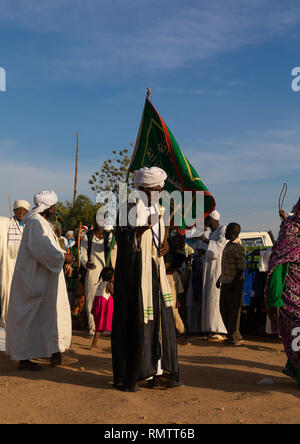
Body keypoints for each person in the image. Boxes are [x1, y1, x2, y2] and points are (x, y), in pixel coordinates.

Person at [112, 166, 181, 392]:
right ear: (141, 188)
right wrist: (142, 229)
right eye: (154, 190)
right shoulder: (128, 208)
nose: (159, 193)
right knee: (136, 324)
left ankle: (157, 373)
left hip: (155, 274)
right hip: (135, 277)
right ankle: (131, 375)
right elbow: (124, 243)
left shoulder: (158, 209)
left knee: (160, 321)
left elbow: (160, 238)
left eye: (160, 189)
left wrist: (166, 244)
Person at [6, 191, 73, 370]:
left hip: (44, 280)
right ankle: (24, 359)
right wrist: (65, 257)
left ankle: (54, 352)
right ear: (50, 208)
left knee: (49, 316)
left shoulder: (41, 223)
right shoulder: (36, 223)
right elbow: (44, 251)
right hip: (33, 282)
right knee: (30, 317)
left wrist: (61, 256)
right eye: (54, 206)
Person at [265, 197, 300, 389]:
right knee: (297, 332)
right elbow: (277, 265)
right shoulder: (290, 230)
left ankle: (293, 366)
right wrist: (275, 298)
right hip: (290, 293)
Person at [80, 214, 115, 336]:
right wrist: (86, 263)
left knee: (106, 300)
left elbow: (113, 245)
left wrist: (113, 234)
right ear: (94, 222)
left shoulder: (108, 236)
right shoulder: (87, 236)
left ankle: (105, 327)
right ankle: (93, 328)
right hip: (93, 270)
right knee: (91, 300)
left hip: (106, 272)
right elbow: (82, 255)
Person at [0, 199, 30, 329]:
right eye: (19, 210)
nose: (21, 213)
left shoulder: (31, 227)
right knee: (6, 291)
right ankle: (6, 320)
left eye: (24, 210)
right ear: (14, 211)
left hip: (25, 267)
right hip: (9, 264)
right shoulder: (6, 223)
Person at [217, 223, 247, 345]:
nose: (225, 233)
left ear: (234, 233)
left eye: (228, 231)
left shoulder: (238, 248)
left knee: (233, 311)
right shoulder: (229, 245)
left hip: (233, 284)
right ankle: (232, 335)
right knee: (224, 309)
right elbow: (228, 266)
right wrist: (220, 279)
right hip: (226, 281)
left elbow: (242, 268)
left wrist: (234, 284)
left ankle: (234, 337)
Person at [201, 210, 228, 341]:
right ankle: (211, 329)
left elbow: (220, 248)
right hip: (209, 270)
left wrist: (205, 241)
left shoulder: (223, 230)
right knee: (210, 298)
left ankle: (220, 330)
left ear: (213, 219)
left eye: (206, 219)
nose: (205, 222)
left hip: (218, 270)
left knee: (215, 298)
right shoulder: (212, 233)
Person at [164, 253, 188, 343]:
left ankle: (183, 333)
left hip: (173, 300)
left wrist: (178, 300)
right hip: (164, 299)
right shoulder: (161, 273)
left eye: (168, 263)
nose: (167, 265)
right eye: (166, 263)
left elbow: (179, 289)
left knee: (175, 317)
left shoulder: (175, 274)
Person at [90, 267, 114, 350]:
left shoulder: (101, 284)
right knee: (100, 328)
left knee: (98, 327)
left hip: (97, 307)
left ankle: (94, 344)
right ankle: (93, 345)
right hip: (102, 309)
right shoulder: (108, 285)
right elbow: (114, 295)